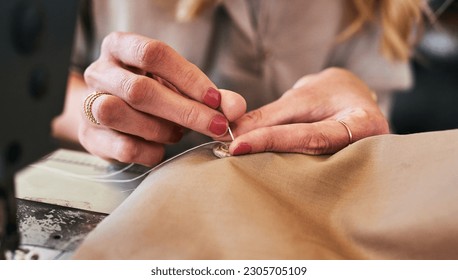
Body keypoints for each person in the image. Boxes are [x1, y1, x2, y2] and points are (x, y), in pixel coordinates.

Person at [52, 0, 424, 166]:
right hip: (126, 198)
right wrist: (93, 109)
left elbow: (370, 124)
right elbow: (20, 84)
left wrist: (358, 93)